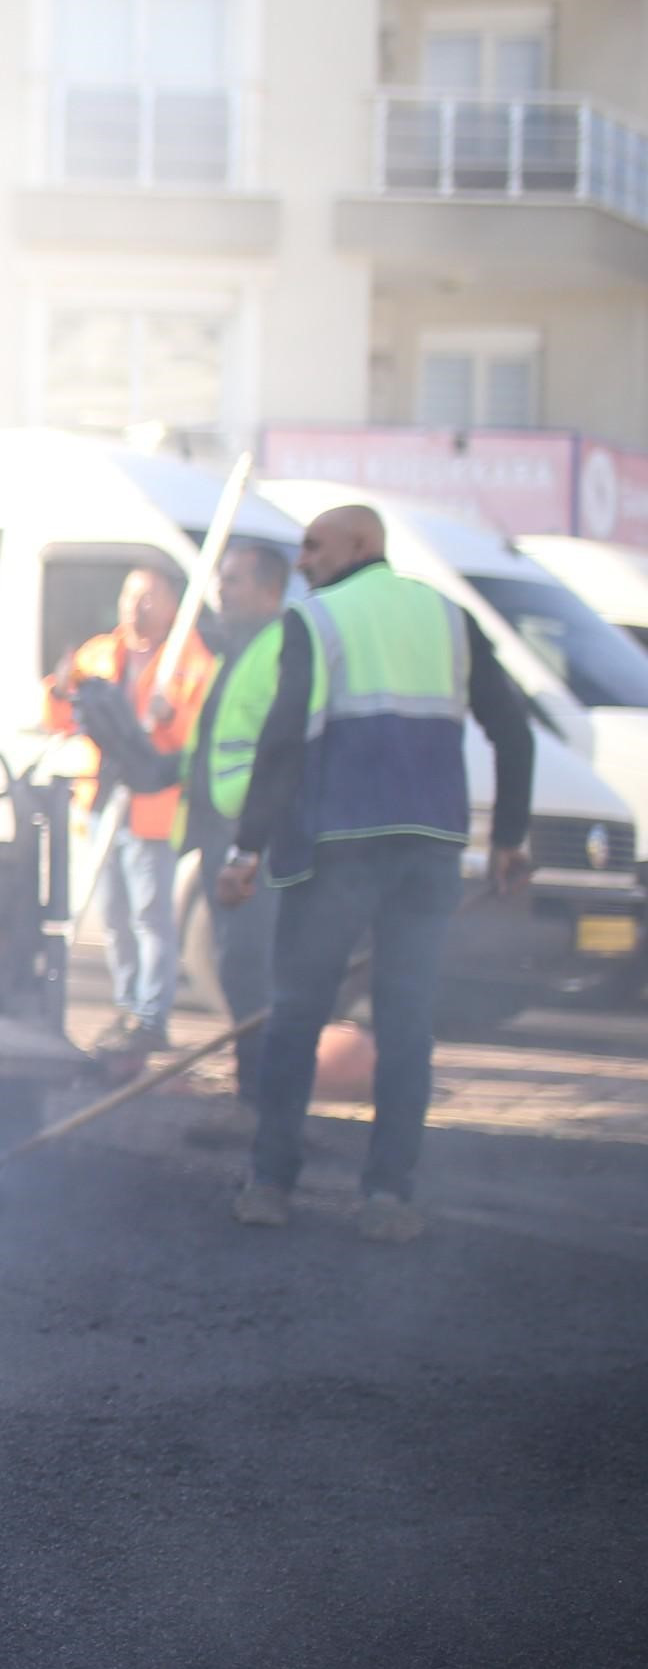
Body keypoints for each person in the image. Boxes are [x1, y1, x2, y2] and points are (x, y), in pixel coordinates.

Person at [216, 504, 535, 1244]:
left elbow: (283, 740)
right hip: (429, 848)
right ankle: (388, 1195)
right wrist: (509, 838)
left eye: (313, 546)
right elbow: (512, 729)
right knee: (406, 1024)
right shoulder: (448, 617)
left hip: (337, 849)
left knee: (296, 1015)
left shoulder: (316, 620)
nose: (301, 561)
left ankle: (270, 1183)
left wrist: (246, 850)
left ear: (363, 544)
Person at [46, 565, 214, 1053]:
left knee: (150, 915)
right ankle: (126, 1006)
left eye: (149, 596)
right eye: (129, 594)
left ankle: (150, 1017)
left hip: (151, 806)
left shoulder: (189, 659)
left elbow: (194, 733)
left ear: (171, 604)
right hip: (103, 801)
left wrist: (166, 720)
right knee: (114, 914)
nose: (136, 606)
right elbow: (59, 715)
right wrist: (58, 691)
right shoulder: (98, 654)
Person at [170, 540, 294, 1145]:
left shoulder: (280, 649)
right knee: (235, 965)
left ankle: (261, 1101)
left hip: (260, 837)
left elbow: (278, 750)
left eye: (235, 581)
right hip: (225, 832)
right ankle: (253, 1094)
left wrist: (252, 843)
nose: (222, 591)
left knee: (252, 964)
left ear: (270, 588)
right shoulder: (234, 650)